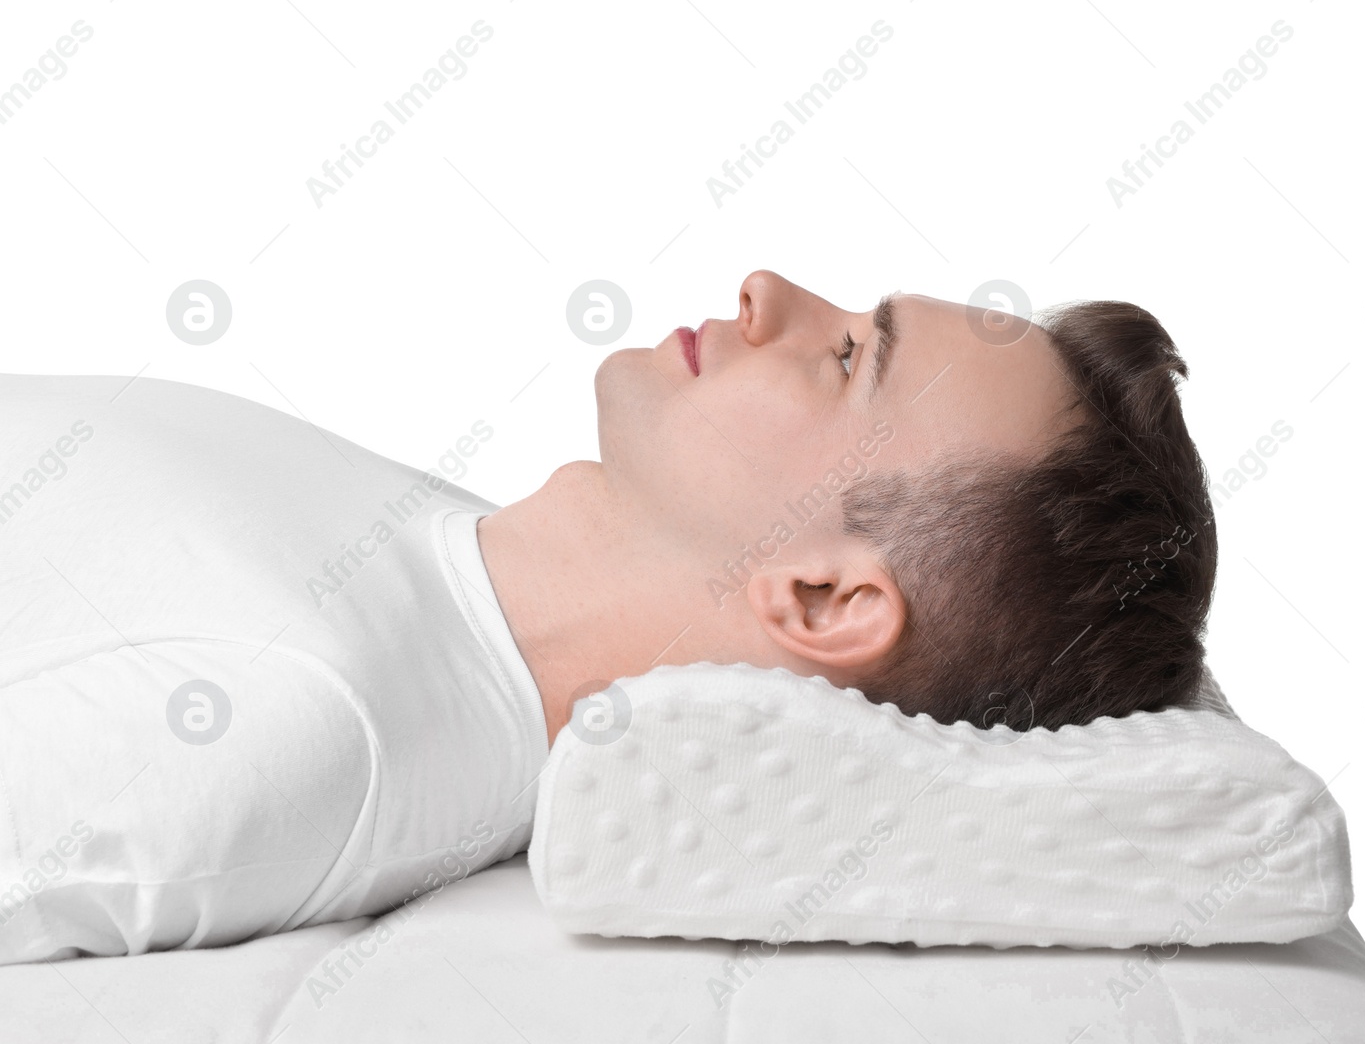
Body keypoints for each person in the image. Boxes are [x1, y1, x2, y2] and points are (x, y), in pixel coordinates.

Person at [0, 270, 1215, 963]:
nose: (768, 290)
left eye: (849, 358)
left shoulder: (306, 722)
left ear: (825, 598)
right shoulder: (435, 556)